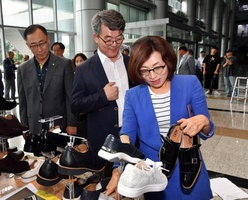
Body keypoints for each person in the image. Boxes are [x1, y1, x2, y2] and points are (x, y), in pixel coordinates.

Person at [105, 36, 214, 199]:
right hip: (152, 174)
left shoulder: (190, 84)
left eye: (158, 67)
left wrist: (203, 121)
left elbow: (208, 129)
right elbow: (127, 133)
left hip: (188, 170)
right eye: (145, 70)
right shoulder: (133, 95)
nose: (153, 75)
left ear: (168, 61)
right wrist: (117, 169)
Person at [71, 9, 133, 176]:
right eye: (108, 40)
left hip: (134, 136)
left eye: (118, 39)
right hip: (103, 140)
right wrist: (102, 97)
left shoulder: (132, 63)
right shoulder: (84, 69)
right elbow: (75, 105)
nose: (114, 44)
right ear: (96, 38)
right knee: (106, 186)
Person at [17, 24, 76, 136]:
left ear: (48, 39)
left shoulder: (64, 64)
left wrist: (72, 123)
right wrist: (24, 127)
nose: (39, 49)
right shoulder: (22, 69)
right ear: (28, 45)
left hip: (59, 124)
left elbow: (70, 97)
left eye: (42, 43)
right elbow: (23, 100)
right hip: (34, 126)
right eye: (33, 45)